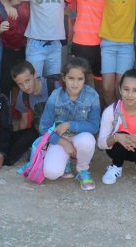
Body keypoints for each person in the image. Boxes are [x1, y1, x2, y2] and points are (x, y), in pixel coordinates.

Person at [38, 57, 101, 190]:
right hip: (60, 139)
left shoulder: (92, 96)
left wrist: (69, 124)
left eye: (80, 79)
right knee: (51, 173)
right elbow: (44, 127)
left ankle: (82, 170)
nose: (75, 84)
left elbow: (94, 126)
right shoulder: (55, 96)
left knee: (88, 140)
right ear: (64, 78)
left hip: (80, 137)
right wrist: (64, 143)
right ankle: (65, 159)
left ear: (85, 79)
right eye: (71, 78)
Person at [98, 69, 136, 184]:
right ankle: (116, 166)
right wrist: (116, 137)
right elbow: (101, 144)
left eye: (135, 90)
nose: (130, 95)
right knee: (123, 135)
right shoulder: (110, 111)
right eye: (126, 89)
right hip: (118, 149)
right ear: (120, 89)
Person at [64, 0, 106, 92]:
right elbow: (62, 2)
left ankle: (99, 112)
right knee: (82, 84)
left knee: (101, 85)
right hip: (81, 44)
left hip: (102, 44)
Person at [24, 0, 66, 87]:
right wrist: (8, 6)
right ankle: (29, 107)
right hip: (36, 44)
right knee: (34, 82)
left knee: (54, 83)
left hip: (55, 44)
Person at [11, 61, 49, 132]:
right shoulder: (23, 94)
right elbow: (24, 120)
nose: (25, 87)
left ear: (35, 75)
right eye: (20, 84)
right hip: (39, 132)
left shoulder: (54, 86)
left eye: (27, 81)